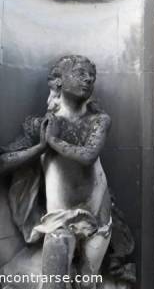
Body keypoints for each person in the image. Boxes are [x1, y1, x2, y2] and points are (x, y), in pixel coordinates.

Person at [0, 55, 112, 289]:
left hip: (97, 221)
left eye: (92, 75)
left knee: (87, 283)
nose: (88, 78)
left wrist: (53, 141)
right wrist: (39, 148)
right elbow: (4, 162)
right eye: (81, 73)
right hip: (57, 221)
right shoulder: (39, 125)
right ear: (59, 82)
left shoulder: (98, 120)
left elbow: (88, 156)